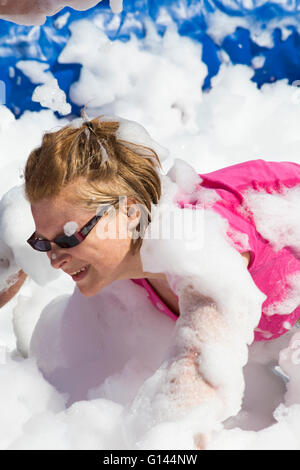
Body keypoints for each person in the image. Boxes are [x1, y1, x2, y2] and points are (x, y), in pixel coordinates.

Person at [22, 115, 300, 446]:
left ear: (130, 212)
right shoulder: (118, 264)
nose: (54, 259)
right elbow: (8, 247)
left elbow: (193, 395)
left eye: (69, 238)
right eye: (41, 242)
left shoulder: (203, 251)